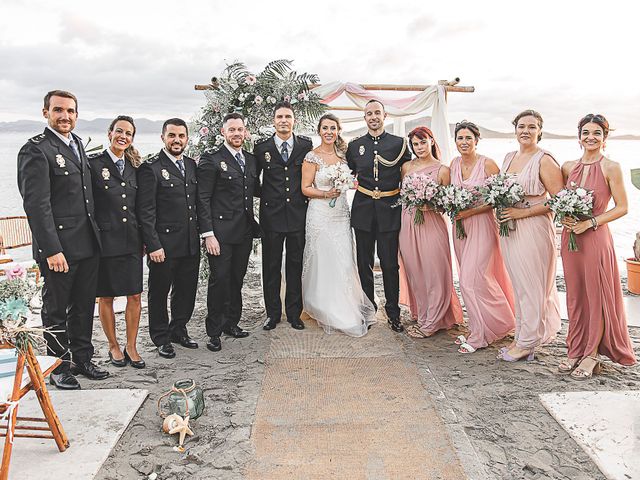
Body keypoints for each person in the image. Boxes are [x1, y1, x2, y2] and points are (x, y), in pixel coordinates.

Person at [17, 90, 108, 389]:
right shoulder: (36, 150)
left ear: (77, 115)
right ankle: (58, 366)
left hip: (87, 244)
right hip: (59, 250)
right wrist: (52, 249)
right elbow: (36, 205)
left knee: (83, 306)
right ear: (45, 112)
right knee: (55, 309)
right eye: (58, 110)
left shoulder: (78, 144)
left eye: (70, 111)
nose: (65, 116)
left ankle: (82, 358)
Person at [559, 113, 636, 378]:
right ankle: (575, 349)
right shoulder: (568, 167)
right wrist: (565, 217)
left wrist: (590, 222)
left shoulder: (611, 166)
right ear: (578, 136)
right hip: (570, 239)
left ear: (605, 137)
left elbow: (623, 207)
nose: (590, 137)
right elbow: (559, 200)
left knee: (596, 294)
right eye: (586, 132)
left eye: (597, 133)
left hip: (595, 237)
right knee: (575, 294)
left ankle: (591, 355)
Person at [496, 110, 563, 362]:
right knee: (519, 285)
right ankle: (522, 335)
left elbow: (558, 200)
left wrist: (519, 212)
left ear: (539, 131)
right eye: (521, 126)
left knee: (533, 286)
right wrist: (500, 210)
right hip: (509, 229)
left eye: (532, 127)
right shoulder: (508, 157)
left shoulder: (544, 160)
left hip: (533, 227)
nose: (526, 130)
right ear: (515, 129)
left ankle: (528, 342)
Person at [300, 114, 375, 336]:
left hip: (341, 213)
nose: (329, 132)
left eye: (333, 128)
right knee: (322, 258)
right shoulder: (311, 157)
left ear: (338, 130)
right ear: (319, 130)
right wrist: (326, 193)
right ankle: (322, 304)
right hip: (319, 214)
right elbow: (305, 188)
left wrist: (345, 185)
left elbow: (355, 179)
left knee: (343, 259)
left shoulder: (344, 156)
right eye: (325, 128)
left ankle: (345, 303)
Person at [450, 121, 516, 354]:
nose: (464, 142)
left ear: (477, 140)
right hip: (460, 228)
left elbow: (498, 198)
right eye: (460, 138)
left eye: (469, 138)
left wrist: (470, 211)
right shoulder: (454, 164)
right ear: (455, 141)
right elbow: (451, 193)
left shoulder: (488, 164)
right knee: (473, 279)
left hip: (482, 226)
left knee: (472, 279)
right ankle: (493, 323)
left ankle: (480, 336)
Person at [136, 118, 200, 358]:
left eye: (181, 136)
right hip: (163, 245)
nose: (177, 140)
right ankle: (161, 337)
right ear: (163, 137)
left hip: (189, 242)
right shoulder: (151, 168)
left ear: (187, 138)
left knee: (186, 289)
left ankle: (179, 329)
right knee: (159, 292)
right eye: (172, 135)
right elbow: (146, 210)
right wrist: (153, 244)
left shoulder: (192, 165)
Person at [346, 100, 411, 333]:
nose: (373, 117)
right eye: (369, 114)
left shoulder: (400, 144)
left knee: (390, 264)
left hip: (389, 210)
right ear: (364, 118)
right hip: (363, 210)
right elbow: (349, 172)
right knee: (363, 263)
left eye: (377, 113)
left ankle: (394, 313)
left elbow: (410, 174)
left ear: (385, 115)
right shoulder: (355, 146)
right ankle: (368, 310)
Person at [197, 113, 260, 352]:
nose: (236, 134)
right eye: (231, 129)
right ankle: (214, 331)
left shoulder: (251, 160)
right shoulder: (212, 160)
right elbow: (202, 198)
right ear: (223, 132)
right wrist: (208, 234)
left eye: (240, 129)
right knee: (219, 281)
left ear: (245, 132)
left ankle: (231, 323)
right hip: (220, 234)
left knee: (236, 279)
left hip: (243, 231)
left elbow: (256, 190)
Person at [90, 115, 145, 368]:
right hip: (104, 241)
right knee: (106, 297)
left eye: (129, 133)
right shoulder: (93, 164)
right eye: (119, 131)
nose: (123, 136)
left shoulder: (135, 166)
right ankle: (113, 346)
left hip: (132, 240)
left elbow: (141, 206)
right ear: (109, 133)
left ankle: (131, 345)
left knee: (134, 295)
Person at [398, 127, 463, 338]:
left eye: (423, 142)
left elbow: (448, 203)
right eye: (415, 144)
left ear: (432, 142)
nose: (419, 148)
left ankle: (432, 322)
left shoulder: (443, 170)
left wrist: (432, 205)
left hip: (432, 224)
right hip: (408, 222)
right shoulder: (406, 167)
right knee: (415, 272)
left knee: (435, 271)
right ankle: (423, 313)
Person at [254, 102, 313, 331]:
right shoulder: (261, 148)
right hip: (271, 215)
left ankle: (294, 313)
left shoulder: (305, 146)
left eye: (288, 116)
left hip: (298, 214)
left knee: (295, 265)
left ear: (294, 120)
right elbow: (253, 180)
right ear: (273, 120)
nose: (283, 120)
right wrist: (269, 195)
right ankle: (273, 314)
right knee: (271, 266)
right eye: (279, 116)